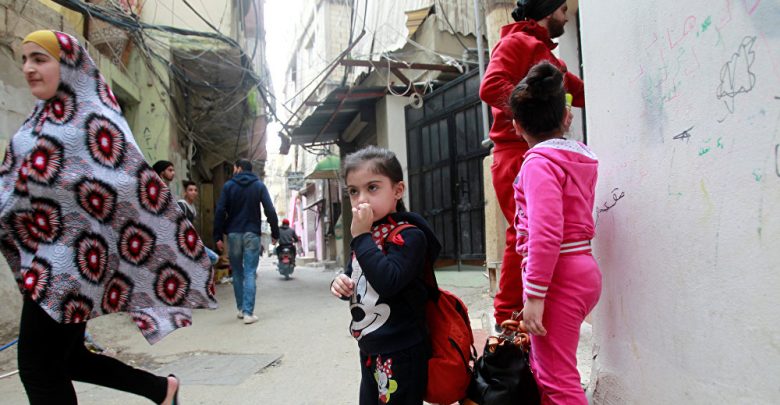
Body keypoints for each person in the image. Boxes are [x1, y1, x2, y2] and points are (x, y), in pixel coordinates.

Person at [0, 30, 217, 405]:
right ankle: (161, 389)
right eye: (25, 60)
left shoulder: (89, 120)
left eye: (40, 59)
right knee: (69, 359)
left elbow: (125, 183)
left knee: (38, 369)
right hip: (47, 262)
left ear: (68, 66)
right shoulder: (38, 121)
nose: (29, 68)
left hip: (66, 267)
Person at [479, 0, 585, 327]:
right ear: (548, 10)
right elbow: (490, 86)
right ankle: (507, 320)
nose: (566, 17)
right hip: (515, 153)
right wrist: (534, 115)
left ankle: (525, 309)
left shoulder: (548, 57)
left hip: (537, 153)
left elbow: (580, 92)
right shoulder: (516, 42)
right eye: (563, 10)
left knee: (539, 231)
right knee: (524, 234)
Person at [509, 61, 601, 404]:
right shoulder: (578, 158)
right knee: (549, 369)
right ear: (566, 117)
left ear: (517, 126)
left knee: (557, 378)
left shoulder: (538, 164)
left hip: (557, 275)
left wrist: (535, 295)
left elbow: (546, 232)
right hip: (580, 268)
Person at [330, 146, 441, 405]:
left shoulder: (409, 236)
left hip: (402, 351)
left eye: (372, 188)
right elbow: (357, 277)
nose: (361, 199)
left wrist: (361, 237)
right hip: (370, 347)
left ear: (397, 190)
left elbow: (388, 281)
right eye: (353, 191)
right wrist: (341, 283)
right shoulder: (366, 234)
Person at [213, 159, 279, 325]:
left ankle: (241, 309)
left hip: (234, 234)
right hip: (252, 233)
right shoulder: (259, 186)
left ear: (239, 168)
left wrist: (218, 236)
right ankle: (249, 313)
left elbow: (220, 210)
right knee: (250, 272)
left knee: (237, 272)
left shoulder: (228, 186)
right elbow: (270, 210)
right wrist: (275, 232)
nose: (233, 170)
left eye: (234, 168)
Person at [178, 180, 219, 265]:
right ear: (185, 192)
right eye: (190, 190)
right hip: (183, 242)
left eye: (195, 190)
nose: (193, 192)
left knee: (213, 258)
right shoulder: (182, 205)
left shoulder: (193, 208)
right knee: (213, 257)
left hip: (191, 240)